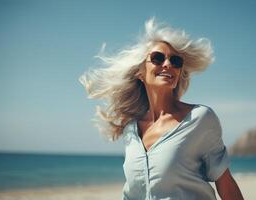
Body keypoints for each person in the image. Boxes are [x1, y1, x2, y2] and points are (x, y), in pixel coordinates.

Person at [80, 18, 244, 200]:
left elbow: (226, 185)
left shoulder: (200, 118)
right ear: (140, 72)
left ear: (179, 73)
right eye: (158, 58)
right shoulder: (130, 130)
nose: (167, 64)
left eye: (175, 61)